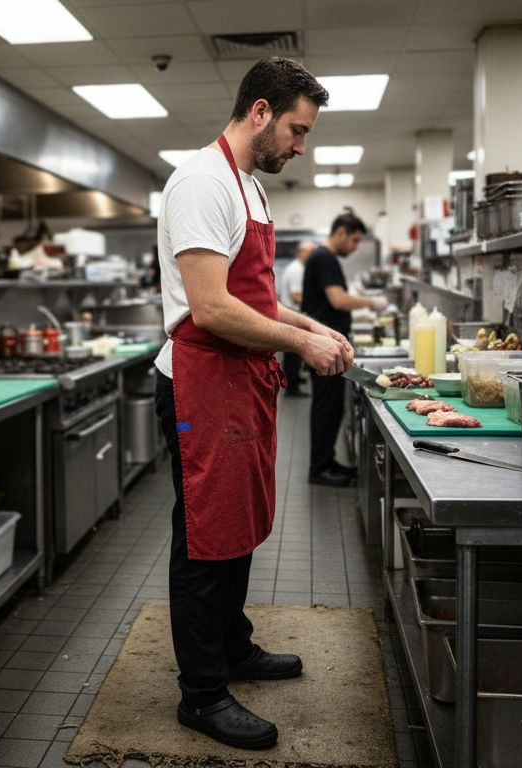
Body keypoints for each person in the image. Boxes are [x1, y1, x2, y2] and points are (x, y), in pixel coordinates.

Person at [152, 57, 352, 751]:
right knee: (206, 538)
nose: (300, 146)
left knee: (237, 527)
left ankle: (232, 648)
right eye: (297, 130)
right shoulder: (201, 183)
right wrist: (301, 351)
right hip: (200, 385)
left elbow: (256, 300)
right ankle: (201, 694)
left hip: (241, 383)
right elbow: (209, 308)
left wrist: (309, 326)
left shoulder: (253, 192)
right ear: (260, 111)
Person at [301, 212, 388, 487]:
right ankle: (320, 468)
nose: (355, 247)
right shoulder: (324, 258)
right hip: (323, 349)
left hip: (328, 347)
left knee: (331, 407)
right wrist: (371, 303)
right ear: (341, 232)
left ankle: (326, 461)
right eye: (354, 240)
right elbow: (337, 300)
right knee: (326, 407)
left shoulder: (324, 258)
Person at [278, 240, 317, 395]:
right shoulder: (297, 270)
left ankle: (294, 378)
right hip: (293, 314)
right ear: (303, 252)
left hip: (294, 314)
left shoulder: (299, 268)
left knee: (295, 355)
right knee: (293, 355)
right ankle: (291, 387)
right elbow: (296, 296)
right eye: (311, 252)